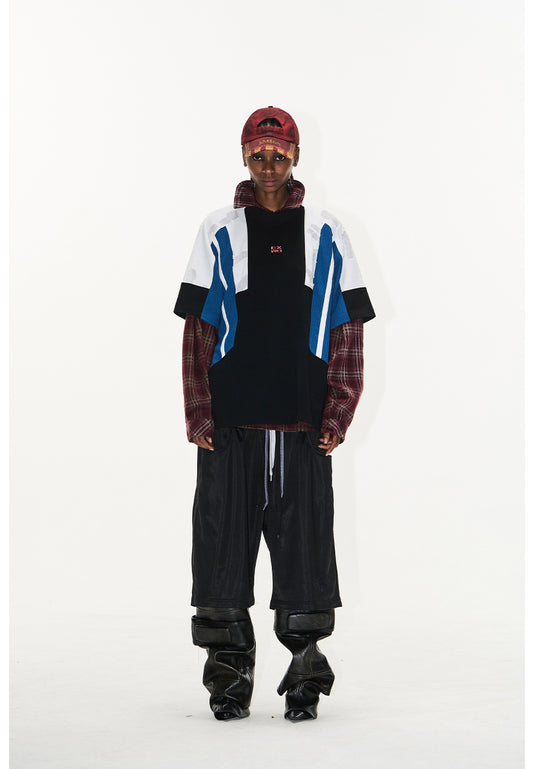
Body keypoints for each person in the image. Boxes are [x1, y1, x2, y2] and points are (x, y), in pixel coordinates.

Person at [173, 106, 375, 722]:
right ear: (243, 156)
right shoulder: (218, 229)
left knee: (306, 553)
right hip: (230, 426)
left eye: (279, 154)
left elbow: (346, 330)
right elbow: (198, 329)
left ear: (295, 156)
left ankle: (306, 673)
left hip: (302, 425)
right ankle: (228, 680)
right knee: (221, 551)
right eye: (258, 154)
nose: (268, 165)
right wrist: (199, 413)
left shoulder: (326, 230)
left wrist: (338, 412)